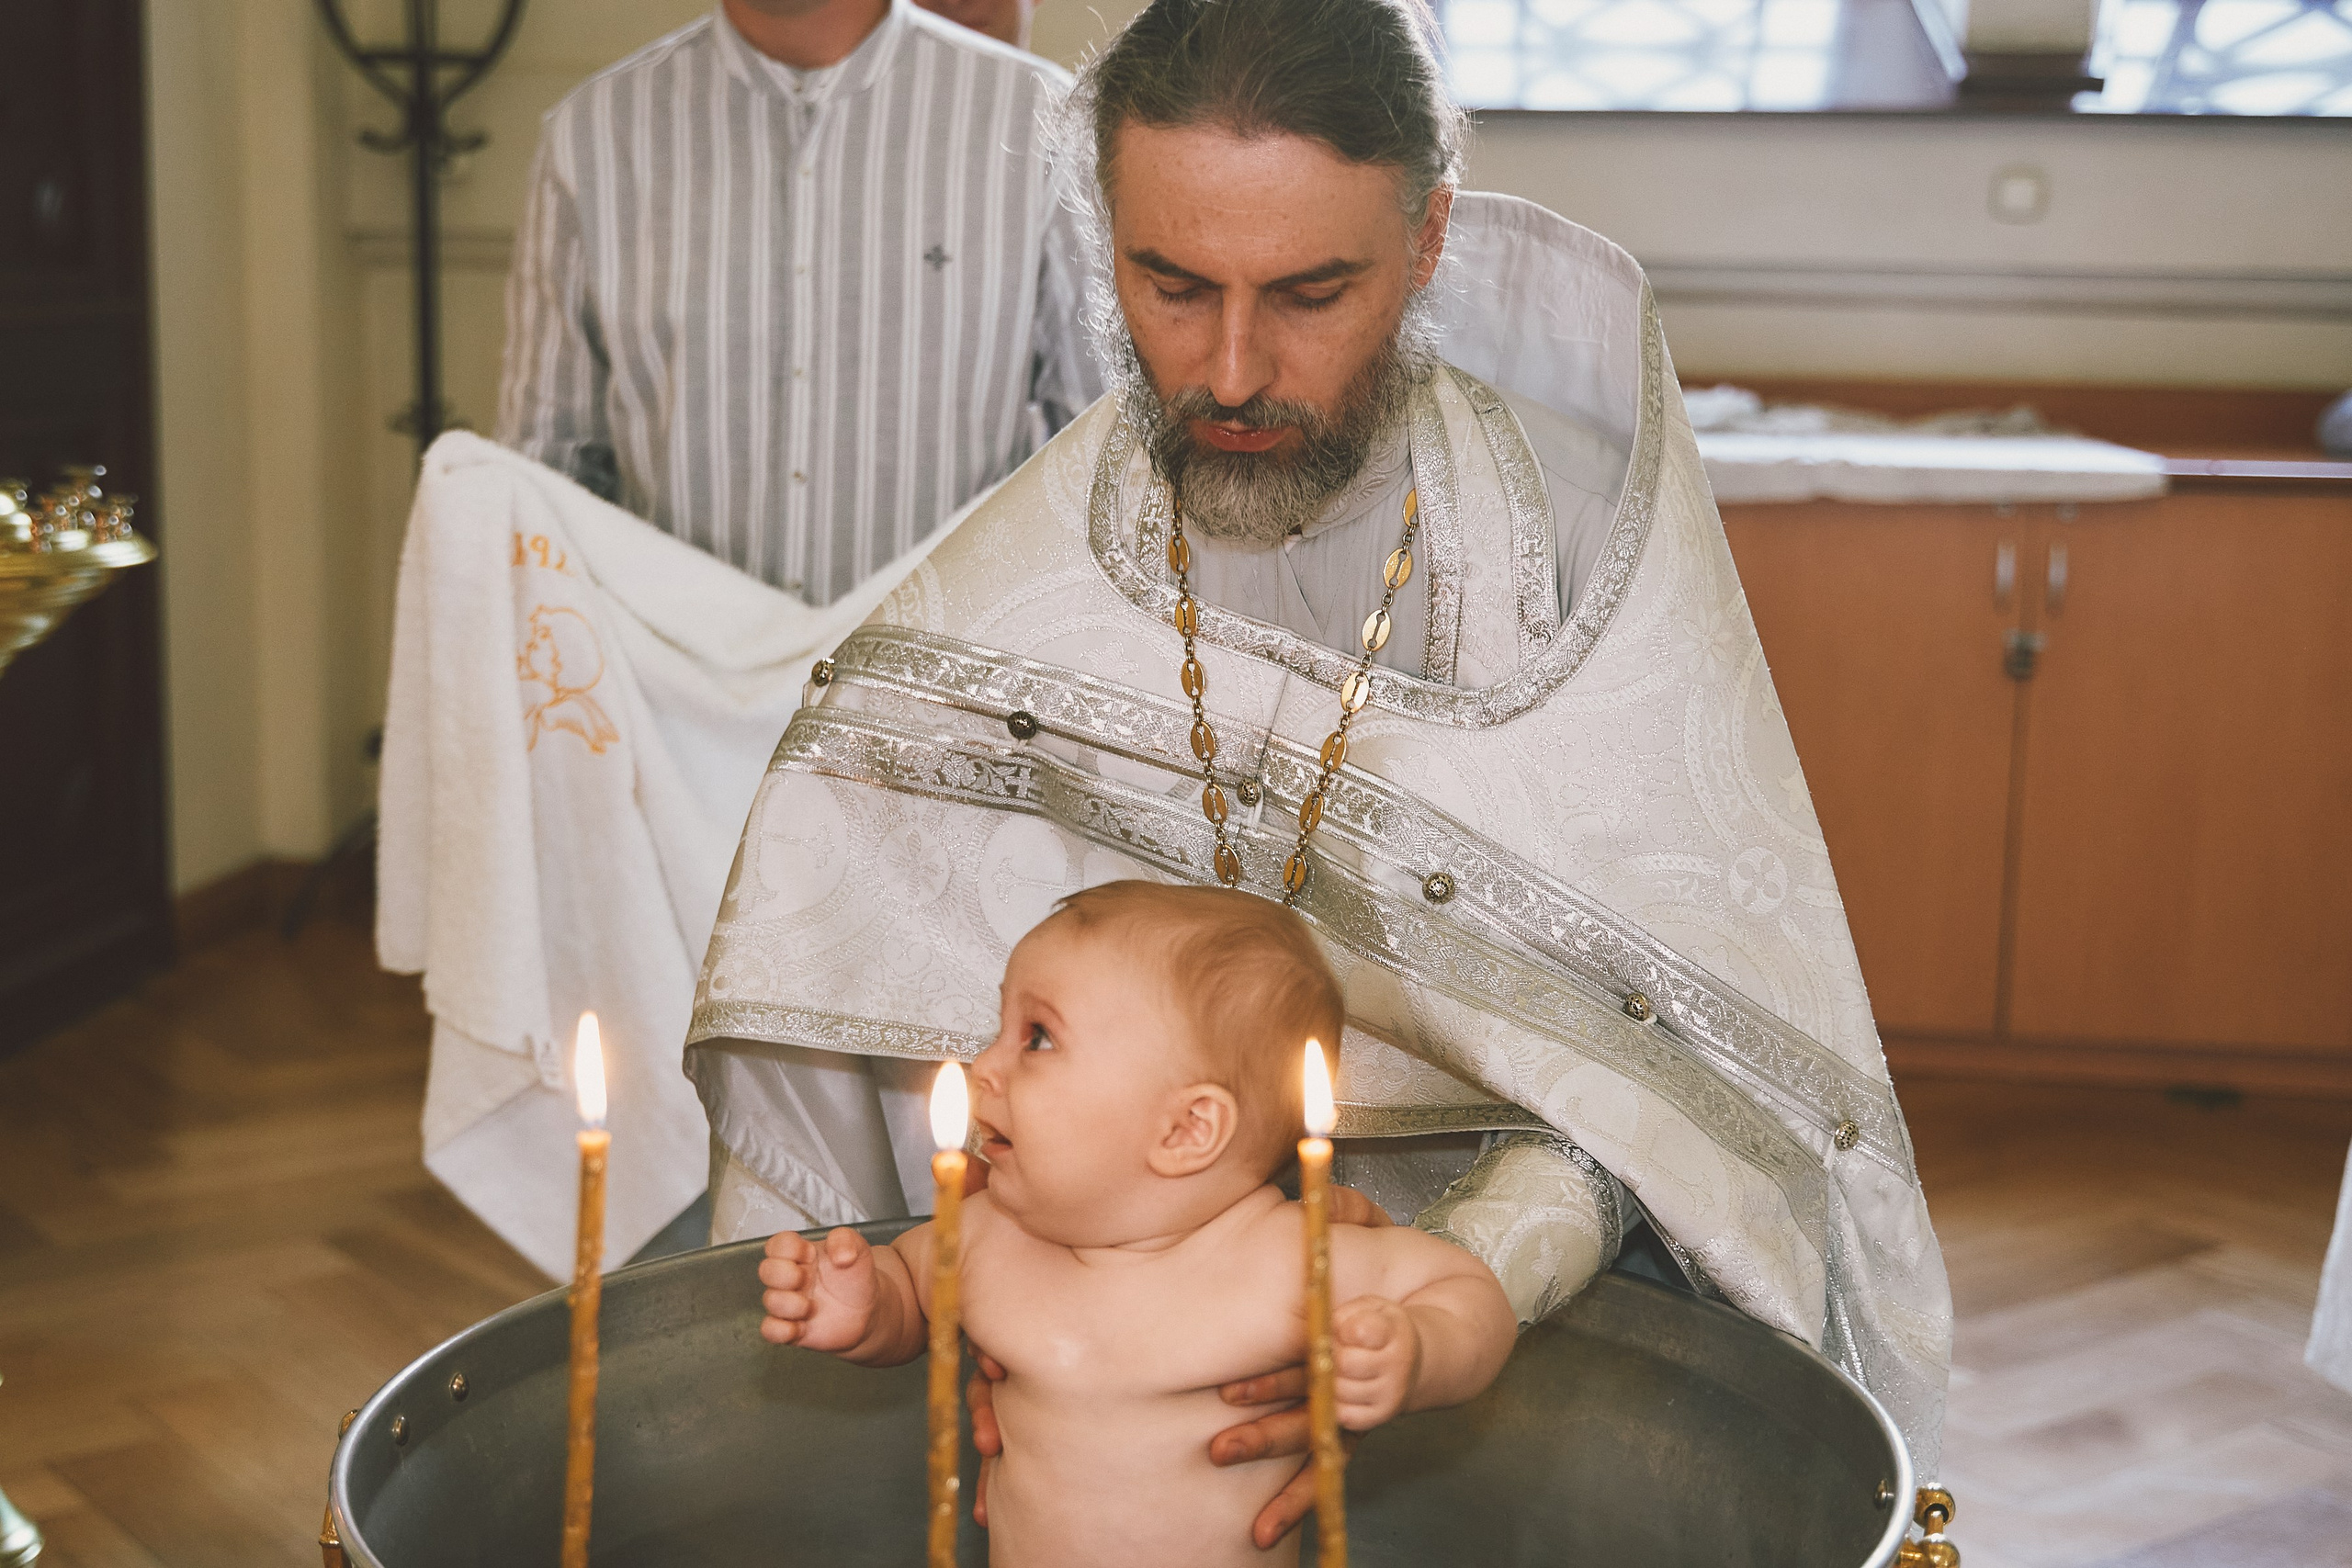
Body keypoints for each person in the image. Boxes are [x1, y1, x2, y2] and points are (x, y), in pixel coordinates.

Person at [685, 0, 1954, 1542]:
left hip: (1516, 1322)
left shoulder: (1578, 572)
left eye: (1310, 292)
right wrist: (1008, 1296)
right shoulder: (1021, 580)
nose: (1231, 370)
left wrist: (1437, 1295)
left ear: (1426, 244)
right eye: (1170, 284)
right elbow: (864, 1012)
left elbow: (1684, 1085)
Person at [757, 882, 1516, 1564]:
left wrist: (1419, 1351)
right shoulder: (987, 1236)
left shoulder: (1285, 1261)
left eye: (1037, 1037)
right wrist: (864, 1306)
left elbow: (1468, 1291)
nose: (983, 1064)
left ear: (1186, 1129)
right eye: (1001, 1026)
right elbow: (910, 1294)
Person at [497, 0, 1104, 603]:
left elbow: (1105, 463)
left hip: (949, 654)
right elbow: (543, 478)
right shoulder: (591, 139)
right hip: (664, 657)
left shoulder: (1038, 122)